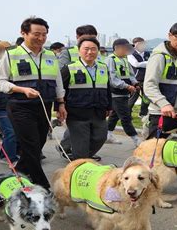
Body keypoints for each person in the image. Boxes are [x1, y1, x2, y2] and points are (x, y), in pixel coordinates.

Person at [0, 17, 66, 190]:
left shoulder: (50, 55)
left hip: (44, 106)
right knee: (31, 145)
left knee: (37, 144)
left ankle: (17, 175)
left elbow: (58, 82)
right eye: (36, 34)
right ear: (23, 33)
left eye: (44, 34)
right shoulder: (11, 54)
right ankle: (42, 186)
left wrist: (61, 104)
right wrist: (21, 89)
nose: (41, 38)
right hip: (20, 106)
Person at [61, 36, 110, 159]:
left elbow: (107, 88)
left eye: (93, 49)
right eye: (86, 49)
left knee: (100, 137)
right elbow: (60, 90)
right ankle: (80, 163)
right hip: (77, 114)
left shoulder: (103, 67)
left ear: (98, 51)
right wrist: (60, 107)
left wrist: (109, 106)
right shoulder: (69, 68)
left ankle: (82, 158)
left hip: (99, 112)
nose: (90, 52)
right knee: (81, 145)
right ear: (79, 51)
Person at [57, 24, 99, 160]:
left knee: (89, 131)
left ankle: (79, 152)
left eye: (93, 38)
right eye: (86, 38)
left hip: (93, 98)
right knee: (77, 128)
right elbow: (60, 74)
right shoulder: (68, 52)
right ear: (77, 37)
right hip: (74, 95)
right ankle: (73, 152)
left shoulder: (95, 51)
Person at [106, 38, 142, 147]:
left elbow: (131, 75)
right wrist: (127, 86)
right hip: (116, 93)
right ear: (118, 48)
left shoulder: (125, 59)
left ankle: (108, 135)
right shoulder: (111, 59)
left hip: (125, 92)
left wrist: (135, 84)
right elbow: (113, 79)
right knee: (126, 117)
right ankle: (136, 139)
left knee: (115, 115)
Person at [127, 37, 150, 117]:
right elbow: (136, 64)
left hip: (146, 79)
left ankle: (143, 113)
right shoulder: (130, 54)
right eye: (140, 44)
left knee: (146, 98)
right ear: (135, 45)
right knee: (133, 98)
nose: (142, 46)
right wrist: (148, 62)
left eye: (143, 43)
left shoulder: (147, 54)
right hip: (135, 80)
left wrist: (145, 63)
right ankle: (128, 114)